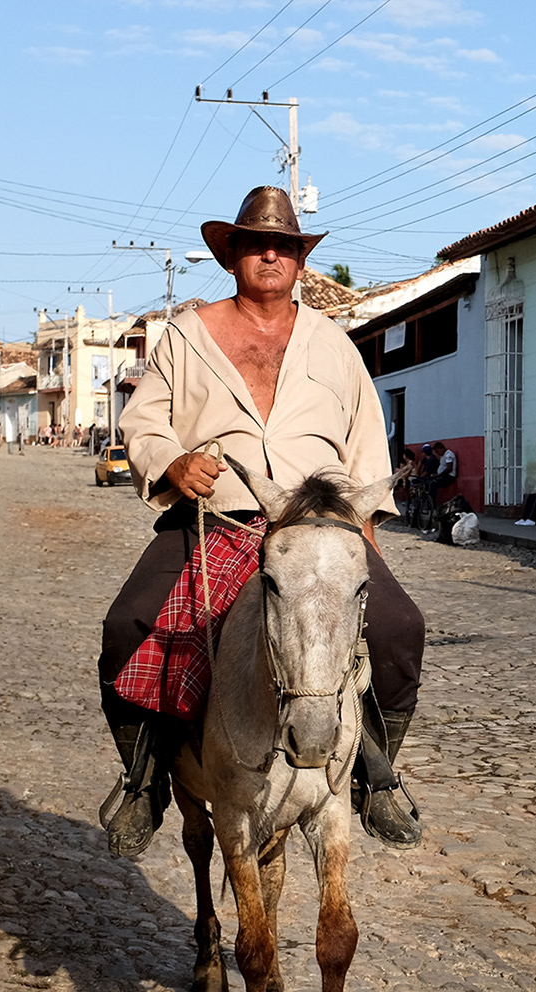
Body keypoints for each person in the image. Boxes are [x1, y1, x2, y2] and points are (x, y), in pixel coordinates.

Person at [104, 185, 426, 854]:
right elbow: (143, 423)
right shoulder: (186, 338)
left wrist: (364, 526)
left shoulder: (335, 345)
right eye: (257, 244)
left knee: (399, 629)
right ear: (233, 256)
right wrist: (171, 463)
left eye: (285, 245)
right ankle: (145, 784)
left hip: (322, 529)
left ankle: (375, 776)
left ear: (302, 260)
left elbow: (368, 441)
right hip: (217, 518)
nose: (271, 255)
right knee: (128, 625)